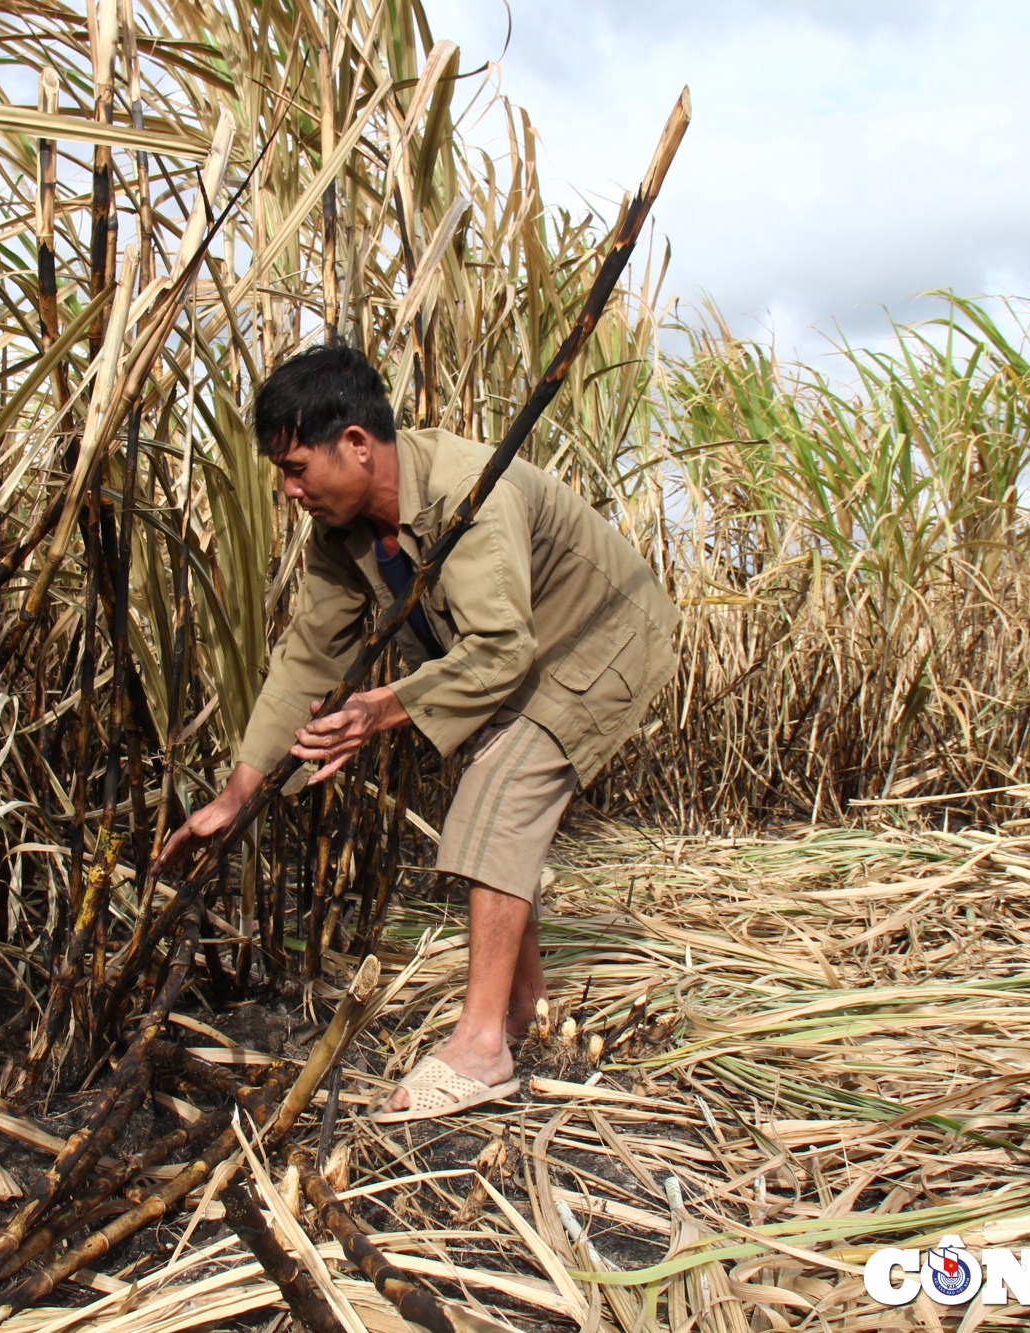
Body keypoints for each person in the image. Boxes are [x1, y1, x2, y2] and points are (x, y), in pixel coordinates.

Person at [157, 345, 677, 1122]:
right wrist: (241, 789)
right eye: (282, 474)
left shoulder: (469, 490)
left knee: (496, 797)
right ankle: (523, 1014)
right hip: (522, 648)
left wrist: (376, 709)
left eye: (299, 468)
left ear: (359, 443)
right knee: (499, 794)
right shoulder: (344, 536)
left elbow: (502, 647)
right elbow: (307, 658)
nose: (291, 491)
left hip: (600, 639)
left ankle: (481, 1049)